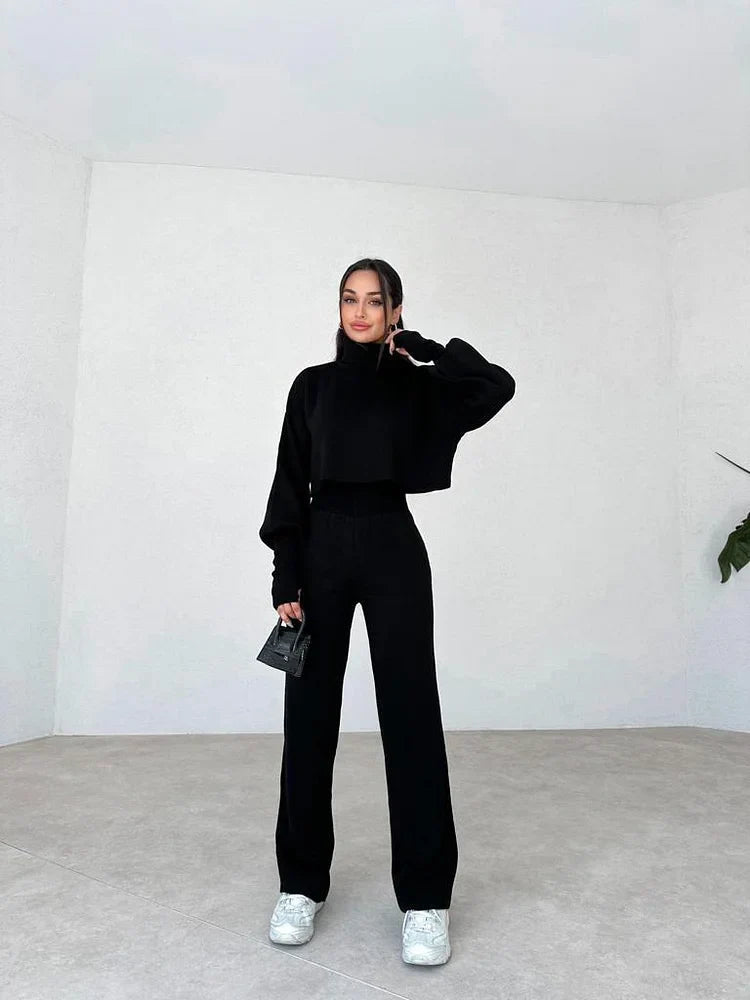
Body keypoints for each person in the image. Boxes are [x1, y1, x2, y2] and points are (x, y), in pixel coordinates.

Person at [259, 258, 516, 965]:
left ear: (395, 309)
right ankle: (299, 885)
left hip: (393, 547)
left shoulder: (414, 382)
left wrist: (425, 349)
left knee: (411, 715)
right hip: (320, 552)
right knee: (308, 719)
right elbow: (288, 480)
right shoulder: (311, 386)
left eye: (375, 300)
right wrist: (286, 574)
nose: (360, 311)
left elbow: (495, 386)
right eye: (350, 299)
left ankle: (426, 901)